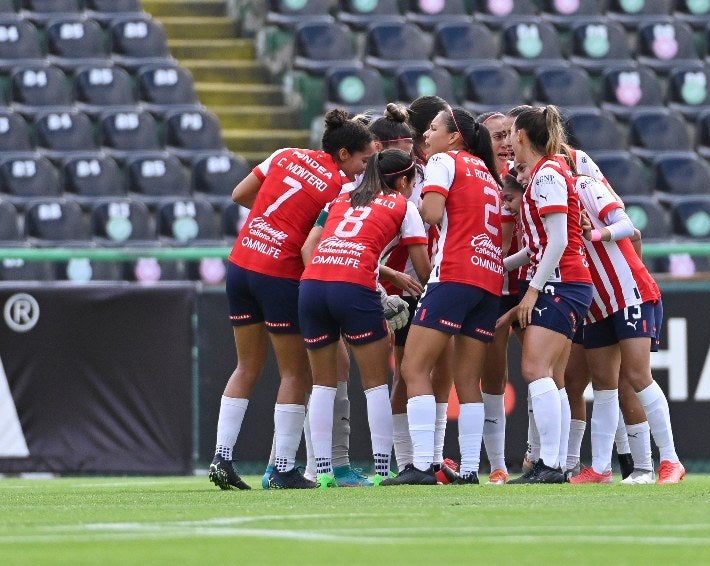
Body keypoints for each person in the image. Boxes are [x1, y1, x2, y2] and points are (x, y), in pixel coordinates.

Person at [208, 108, 375, 491]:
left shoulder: (284, 155)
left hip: (241, 262)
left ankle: (222, 457)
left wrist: (274, 222)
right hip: (278, 274)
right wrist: (291, 229)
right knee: (295, 373)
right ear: (345, 153)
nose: (363, 170)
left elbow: (239, 194)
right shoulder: (340, 187)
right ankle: (282, 468)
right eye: (363, 160)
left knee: (246, 366)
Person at [382, 106, 503, 486]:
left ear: (454, 137)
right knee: (468, 381)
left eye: (433, 128)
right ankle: (468, 470)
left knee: (413, 369)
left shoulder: (443, 162)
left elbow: (431, 213)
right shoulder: (487, 172)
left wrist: (403, 210)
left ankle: (419, 466)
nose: (426, 135)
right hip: (489, 279)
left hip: (452, 274)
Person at [299, 148, 424, 488]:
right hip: (352, 288)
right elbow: (423, 270)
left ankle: (322, 473)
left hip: (311, 286)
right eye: (412, 181)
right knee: (375, 386)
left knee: (323, 385)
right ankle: (383, 472)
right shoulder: (405, 206)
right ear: (402, 180)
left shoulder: (340, 199)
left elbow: (310, 248)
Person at [568, 172, 686, 485]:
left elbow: (629, 228)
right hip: (596, 304)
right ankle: (602, 468)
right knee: (604, 386)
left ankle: (671, 461)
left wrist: (594, 234)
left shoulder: (583, 185)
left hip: (628, 294)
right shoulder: (537, 198)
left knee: (636, 376)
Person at [500, 105, 594, 484]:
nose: (506, 141)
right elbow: (540, 245)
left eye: (509, 134)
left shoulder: (547, 174)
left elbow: (558, 241)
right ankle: (551, 463)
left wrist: (531, 292)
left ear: (521, 135)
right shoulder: (544, 173)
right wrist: (498, 266)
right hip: (564, 281)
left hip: (562, 283)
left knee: (534, 369)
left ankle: (551, 465)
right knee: (550, 376)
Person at [477, 112, 515, 485]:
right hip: (494, 286)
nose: (505, 142)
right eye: (497, 136)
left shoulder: (532, 177)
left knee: (549, 374)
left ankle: (546, 459)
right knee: (493, 377)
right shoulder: (478, 178)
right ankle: (498, 465)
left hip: (532, 282)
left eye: (509, 135)